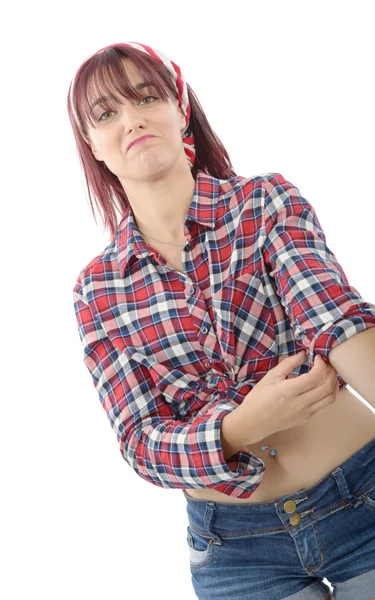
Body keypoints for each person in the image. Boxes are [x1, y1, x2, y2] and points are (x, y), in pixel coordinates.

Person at [68, 41, 375, 599]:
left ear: (179, 108)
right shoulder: (98, 291)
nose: (132, 119)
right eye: (107, 114)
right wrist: (242, 426)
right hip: (236, 549)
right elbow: (141, 441)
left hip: (366, 495)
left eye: (146, 97)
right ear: (92, 144)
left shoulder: (264, 202)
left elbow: (332, 316)